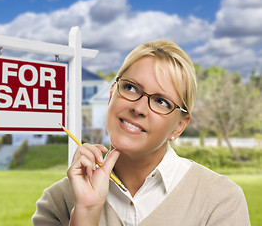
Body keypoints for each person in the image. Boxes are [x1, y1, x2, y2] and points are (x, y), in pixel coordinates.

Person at [32, 39, 250, 226]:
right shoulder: (58, 202)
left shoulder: (220, 200)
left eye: (161, 101)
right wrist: (86, 214)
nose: (138, 108)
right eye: (130, 88)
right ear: (111, 95)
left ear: (179, 126)